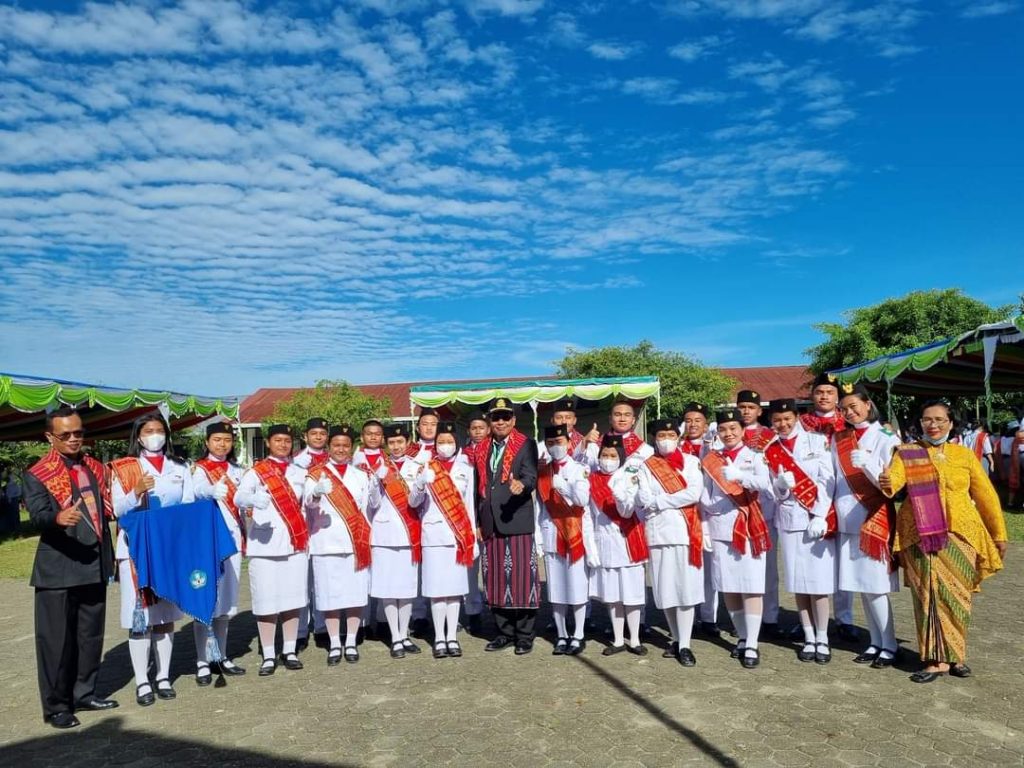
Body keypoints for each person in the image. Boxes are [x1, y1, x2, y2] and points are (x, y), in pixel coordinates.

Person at [880, 400, 1008, 682]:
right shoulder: (907, 453)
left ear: (951, 423)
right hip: (920, 534)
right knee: (928, 595)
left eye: (939, 419)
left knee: (957, 597)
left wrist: (998, 533)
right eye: (927, 419)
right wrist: (886, 479)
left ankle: (956, 656)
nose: (933, 425)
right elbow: (894, 483)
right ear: (920, 423)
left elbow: (986, 495)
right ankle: (934, 659)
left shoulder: (963, 455)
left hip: (960, 534)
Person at [24, 406, 117, 728]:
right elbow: (37, 515)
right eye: (66, 435)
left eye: (79, 433)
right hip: (58, 569)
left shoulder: (94, 467)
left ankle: (84, 693)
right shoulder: (37, 473)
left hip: (93, 563)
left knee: (90, 636)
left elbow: (107, 509)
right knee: (55, 642)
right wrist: (56, 518)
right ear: (50, 436)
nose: (74, 439)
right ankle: (56, 706)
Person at [109, 412, 195, 705]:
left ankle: (163, 675)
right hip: (136, 550)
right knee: (141, 618)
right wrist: (136, 491)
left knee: (165, 617)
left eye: (160, 430)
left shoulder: (179, 467)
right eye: (149, 430)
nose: (155, 435)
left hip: (168, 549)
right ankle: (143, 681)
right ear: (138, 436)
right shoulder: (124, 468)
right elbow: (117, 510)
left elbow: (188, 505)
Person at [832, 383, 900, 668]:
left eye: (854, 406)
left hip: (873, 515)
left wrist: (869, 464)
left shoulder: (887, 436)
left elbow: (892, 483)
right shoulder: (841, 438)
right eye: (844, 408)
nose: (850, 412)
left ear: (868, 404)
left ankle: (890, 644)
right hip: (848, 519)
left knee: (875, 586)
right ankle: (874, 642)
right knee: (861, 586)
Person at [764, 399, 836, 664]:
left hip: (815, 521)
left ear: (796, 417)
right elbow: (774, 492)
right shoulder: (771, 449)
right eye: (777, 420)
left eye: (787, 419)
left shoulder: (817, 443)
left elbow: (828, 482)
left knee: (817, 584)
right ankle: (807, 637)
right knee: (798, 584)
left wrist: (819, 514)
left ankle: (823, 638)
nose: (782, 424)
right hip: (789, 521)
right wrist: (782, 486)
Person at [700, 408, 772, 669]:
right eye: (723, 429)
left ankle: (752, 642)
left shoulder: (754, 456)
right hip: (720, 527)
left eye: (733, 429)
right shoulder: (711, 459)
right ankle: (741, 636)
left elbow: (766, 484)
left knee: (751, 585)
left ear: (743, 431)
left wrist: (741, 476)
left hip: (748, 525)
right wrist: (706, 525)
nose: (728, 433)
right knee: (728, 585)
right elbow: (704, 496)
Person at [234, 424, 309, 677]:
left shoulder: (299, 471)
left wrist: (317, 495)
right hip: (264, 545)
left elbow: (307, 501)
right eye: (278, 440)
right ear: (268, 442)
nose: (283, 444)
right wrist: (252, 500)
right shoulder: (257, 472)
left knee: (292, 599)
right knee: (266, 601)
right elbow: (238, 497)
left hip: (294, 543)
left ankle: (289, 650)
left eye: (287, 440)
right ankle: (268, 654)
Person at [303, 425, 379, 665]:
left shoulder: (360, 475)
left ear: (352, 448)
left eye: (346, 445)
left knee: (355, 594)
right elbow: (308, 504)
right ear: (329, 447)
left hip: (355, 542)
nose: (341, 449)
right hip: (326, 542)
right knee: (329, 594)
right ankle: (335, 642)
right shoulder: (315, 474)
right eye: (336, 445)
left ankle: (351, 640)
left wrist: (377, 483)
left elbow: (371, 505)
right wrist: (316, 493)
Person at [636, 418, 705, 667]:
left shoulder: (691, 461)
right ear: (654, 438)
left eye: (671, 434)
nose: (666, 439)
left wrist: (660, 500)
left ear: (678, 437)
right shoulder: (646, 466)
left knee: (685, 590)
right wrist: (668, 499)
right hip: (657, 534)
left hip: (685, 533)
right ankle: (675, 638)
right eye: (661, 435)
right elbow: (643, 497)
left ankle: (685, 644)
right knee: (665, 590)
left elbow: (693, 493)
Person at [475, 398, 540, 655]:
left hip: (516, 518)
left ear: (513, 420)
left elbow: (531, 474)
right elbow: (478, 486)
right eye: (496, 417)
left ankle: (524, 635)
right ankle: (503, 632)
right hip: (490, 521)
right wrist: (478, 520)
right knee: (495, 579)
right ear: (490, 421)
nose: (500, 421)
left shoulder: (525, 444)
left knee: (523, 579)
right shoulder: (481, 448)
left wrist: (521, 485)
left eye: (505, 417)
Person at [407, 421, 478, 659]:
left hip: (458, 535)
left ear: (456, 443)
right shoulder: (426, 465)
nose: (445, 445)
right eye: (441, 442)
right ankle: (439, 637)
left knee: (455, 590)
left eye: (449, 441)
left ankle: (452, 637)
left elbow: (469, 505)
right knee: (438, 591)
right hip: (434, 536)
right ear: (434, 444)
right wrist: (419, 484)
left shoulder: (466, 466)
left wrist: (471, 539)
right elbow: (414, 503)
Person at [800, 372, 857, 644]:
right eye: (819, 391)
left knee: (843, 562)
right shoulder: (801, 425)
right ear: (812, 396)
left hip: (844, 499)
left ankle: (844, 618)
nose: (824, 396)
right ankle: (811, 619)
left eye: (829, 392)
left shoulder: (849, 423)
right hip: (812, 500)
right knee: (814, 562)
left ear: (838, 397)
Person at [191, 422, 247, 683]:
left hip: (233, 540)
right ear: (207, 442)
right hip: (208, 541)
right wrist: (210, 491)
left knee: (226, 604)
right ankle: (203, 660)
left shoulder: (238, 470)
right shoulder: (200, 469)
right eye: (217, 439)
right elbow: (196, 492)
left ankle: (221, 655)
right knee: (206, 601)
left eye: (227, 439)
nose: (222, 444)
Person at [535, 424, 595, 656]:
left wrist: (565, 488)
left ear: (569, 443)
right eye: (550, 443)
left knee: (577, 587)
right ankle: (561, 634)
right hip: (551, 532)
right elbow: (539, 508)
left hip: (573, 533)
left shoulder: (579, 469)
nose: (555, 447)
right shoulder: (543, 472)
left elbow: (582, 499)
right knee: (557, 589)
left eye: (559, 442)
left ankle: (578, 634)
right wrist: (538, 536)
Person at [588, 434, 648, 654]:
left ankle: (634, 639)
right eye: (604, 455)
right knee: (613, 596)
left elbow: (628, 510)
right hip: (604, 543)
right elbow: (587, 516)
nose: (608, 459)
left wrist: (622, 496)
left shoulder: (628, 477)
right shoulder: (591, 478)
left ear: (620, 457)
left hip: (628, 540)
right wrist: (590, 546)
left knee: (631, 594)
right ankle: (617, 639)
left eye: (613, 455)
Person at [367, 422, 422, 658]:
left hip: (409, 533)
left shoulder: (417, 467)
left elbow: (416, 503)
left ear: (408, 442)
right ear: (386, 445)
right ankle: (395, 637)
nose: (396, 446)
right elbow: (372, 504)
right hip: (384, 536)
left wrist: (420, 485)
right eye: (392, 443)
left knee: (407, 587)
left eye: (400, 442)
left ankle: (405, 634)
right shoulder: (379, 467)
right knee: (388, 588)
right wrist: (377, 482)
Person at [735, 390, 781, 636]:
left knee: (769, 568)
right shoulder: (726, 435)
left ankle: (770, 617)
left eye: (750, 407)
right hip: (738, 510)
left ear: (759, 411)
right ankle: (744, 619)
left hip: (765, 509)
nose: (745, 411)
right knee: (742, 567)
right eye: (741, 406)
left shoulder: (771, 437)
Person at [681, 402, 722, 637]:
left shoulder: (715, 447)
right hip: (685, 512)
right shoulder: (677, 446)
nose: (693, 424)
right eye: (689, 420)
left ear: (706, 424)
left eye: (697, 420)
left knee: (709, 568)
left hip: (709, 512)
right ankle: (689, 614)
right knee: (689, 566)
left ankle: (709, 617)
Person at [293, 417, 329, 648]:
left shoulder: (333, 457)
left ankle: (322, 626)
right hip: (299, 525)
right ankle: (299, 629)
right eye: (313, 433)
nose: (318, 437)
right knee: (301, 580)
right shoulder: (294, 460)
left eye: (322, 434)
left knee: (321, 580)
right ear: (305, 436)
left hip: (324, 527)